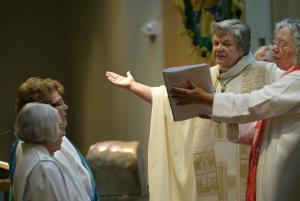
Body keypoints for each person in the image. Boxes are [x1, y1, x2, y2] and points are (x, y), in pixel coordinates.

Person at [106, 19, 279, 201]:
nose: (219, 48)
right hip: (209, 168)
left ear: (243, 48)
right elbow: (165, 98)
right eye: (216, 43)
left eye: (226, 44)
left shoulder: (267, 72)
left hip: (249, 165)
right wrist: (133, 86)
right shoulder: (205, 76)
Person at [171, 18, 300, 201]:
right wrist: (221, 114)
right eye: (275, 43)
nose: (275, 49)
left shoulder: (296, 80)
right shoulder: (290, 77)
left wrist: (209, 99)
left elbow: (255, 103)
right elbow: (262, 122)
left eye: (283, 44)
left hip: (285, 163)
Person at [8, 77, 99, 201]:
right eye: (58, 103)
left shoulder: (36, 150)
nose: (65, 107)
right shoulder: (43, 167)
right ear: (40, 116)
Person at [13, 103, 91, 201]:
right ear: (44, 130)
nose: (62, 133)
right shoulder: (44, 167)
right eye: (58, 127)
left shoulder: (29, 156)